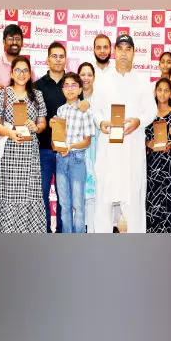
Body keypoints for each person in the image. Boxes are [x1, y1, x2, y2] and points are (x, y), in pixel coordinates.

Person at [91, 34, 156, 233]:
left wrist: (139, 121)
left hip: (132, 148)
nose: (124, 53)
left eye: (128, 49)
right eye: (120, 49)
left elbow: (151, 111)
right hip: (109, 149)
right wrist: (101, 122)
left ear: (134, 53)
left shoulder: (142, 81)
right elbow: (95, 110)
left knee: (134, 197)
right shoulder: (102, 80)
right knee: (104, 199)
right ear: (115, 52)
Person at [0, 56, 47, 233]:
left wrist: (36, 127)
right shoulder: (1, 94)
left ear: (30, 74)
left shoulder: (37, 95)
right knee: (4, 193)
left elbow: (42, 123)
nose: (21, 74)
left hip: (29, 153)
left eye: (25, 70)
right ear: (11, 73)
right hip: (7, 153)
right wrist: (9, 132)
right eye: (17, 70)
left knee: (30, 193)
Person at [53, 72, 94, 233]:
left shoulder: (85, 111)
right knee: (64, 204)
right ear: (62, 89)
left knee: (78, 205)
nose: (70, 89)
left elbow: (87, 141)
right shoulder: (60, 111)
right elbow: (57, 137)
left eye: (74, 85)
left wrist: (70, 146)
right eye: (66, 85)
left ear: (80, 89)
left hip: (77, 159)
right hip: (61, 159)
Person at [34, 42, 68, 233]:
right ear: (47, 59)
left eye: (61, 56)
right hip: (43, 149)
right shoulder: (38, 86)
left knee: (64, 196)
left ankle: (62, 233)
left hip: (66, 150)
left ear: (66, 60)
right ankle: (45, 233)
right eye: (54, 56)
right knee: (42, 194)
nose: (58, 60)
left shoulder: (72, 83)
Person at [143, 78, 171, 233]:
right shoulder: (149, 115)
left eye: (166, 90)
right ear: (155, 92)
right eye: (160, 90)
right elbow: (140, 138)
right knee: (153, 201)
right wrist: (149, 143)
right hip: (152, 167)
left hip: (170, 167)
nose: (162, 93)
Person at [78, 62, 98, 232]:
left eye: (89, 75)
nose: (86, 78)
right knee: (79, 195)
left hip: (97, 151)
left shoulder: (100, 100)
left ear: (94, 78)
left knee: (95, 196)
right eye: (83, 74)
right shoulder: (72, 98)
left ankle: (93, 231)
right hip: (77, 152)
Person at [0, 24, 24, 102]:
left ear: (22, 43)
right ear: (4, 42)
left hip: (22, 110)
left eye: (17, 39)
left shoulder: (28, 67)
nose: (14, 42)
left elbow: (33, 94)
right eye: (10, 39)